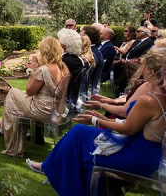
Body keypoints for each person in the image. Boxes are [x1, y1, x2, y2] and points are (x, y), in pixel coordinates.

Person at [26, 48, 166, 196]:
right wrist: (103, 119)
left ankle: (56, 172)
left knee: (79, 135)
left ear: (150, 71)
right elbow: (136, 125)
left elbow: (128, 128)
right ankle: (51, 168)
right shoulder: (159, 97)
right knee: (79, 133)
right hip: (145, 153)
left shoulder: (150, 100)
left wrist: (96, 120)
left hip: (137, 157)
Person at [0, 37, 68, 157]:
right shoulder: (63, 67)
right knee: (16, 101)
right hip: (56, 111)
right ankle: (5, 128)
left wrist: (33, 70)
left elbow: (30, 91)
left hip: (41, 110)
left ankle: (11, 141)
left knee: (12, 93)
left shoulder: (44, 69)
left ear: (46, 51)